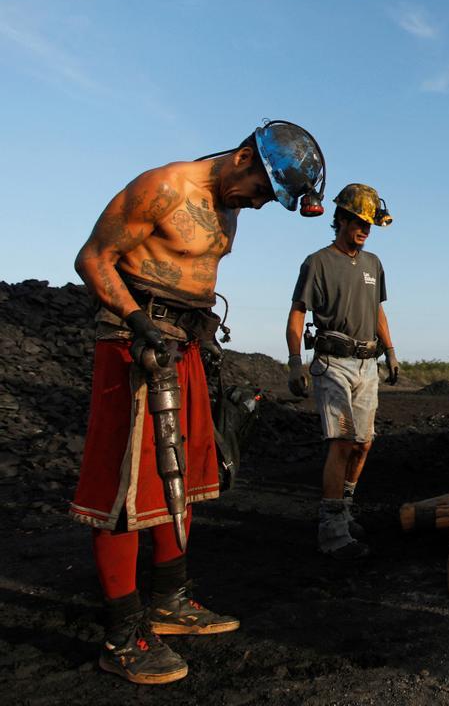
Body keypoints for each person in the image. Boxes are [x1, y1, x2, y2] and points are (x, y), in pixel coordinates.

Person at [70, 120, 327, 684]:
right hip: (133, 345)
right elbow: (92, 259)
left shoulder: (229, 205)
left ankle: (168, 599)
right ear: (242, 159)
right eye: (261, 190)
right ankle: (121, 633)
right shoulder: (162, 187)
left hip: (185, 346)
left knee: (179, 474)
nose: (259, 205)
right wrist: (138, 323)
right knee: (126, 485)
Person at [285, 184, 400, 560]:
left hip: (368, 362)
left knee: (363, 443)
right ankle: (332, 532)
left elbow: (378, 311)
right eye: (360, 222)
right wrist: (294, 362)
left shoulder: (373, 264)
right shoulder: (317, 262)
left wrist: (392, 352)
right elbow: (298, 312)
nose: (365, 230)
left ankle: (344, 511)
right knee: (342, 441)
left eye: (370, 224)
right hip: (333, 362)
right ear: (342, 219)